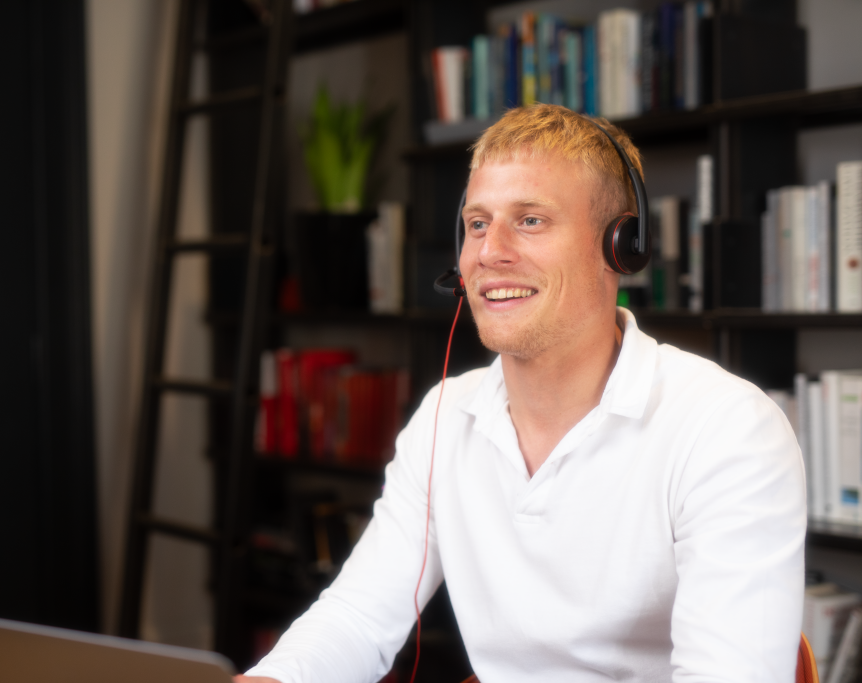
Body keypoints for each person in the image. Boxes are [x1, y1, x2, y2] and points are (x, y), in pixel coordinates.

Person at [238, 104, 805, 683]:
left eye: (530, 220)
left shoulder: (727, 427)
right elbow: (358, 616)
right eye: (478, 224)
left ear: (621, 246)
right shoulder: (444, 415)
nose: (489, 252)